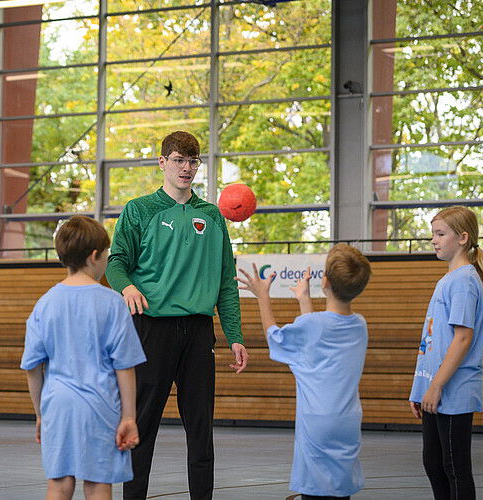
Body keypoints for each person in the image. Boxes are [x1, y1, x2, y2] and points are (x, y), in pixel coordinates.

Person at [105, 130, 249, 500]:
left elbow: (225, 282)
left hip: (199, 332)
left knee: (201, 430)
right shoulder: (139, 210)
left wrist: (234, 335)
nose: (186, 168)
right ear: (162, 163)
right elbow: (117, 262)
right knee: (142, 425)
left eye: (193, 161)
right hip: (152, 328)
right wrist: (127, 287)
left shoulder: (212, 216)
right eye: (179, 160)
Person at [21, 215, 146, 500]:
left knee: (59, 484)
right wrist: (129, 416)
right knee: (99, 484)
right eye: (107, 254)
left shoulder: (45, 304)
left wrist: (40, 413)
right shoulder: (113, 302)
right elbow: (124, 366)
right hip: (100, 406)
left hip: (57, 407)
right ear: (95, 256)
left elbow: (32, 367)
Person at [236, 244, 372, 500]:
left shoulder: (313, 325)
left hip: (318, 424)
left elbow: (274, 336)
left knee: (314, 492)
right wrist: (304, 300)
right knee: (340, 491)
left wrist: (263, 297)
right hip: (348, 422)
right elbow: (317, 338)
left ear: (326, 281)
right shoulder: (360, 326)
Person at [409, 206, 483, 500]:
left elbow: (462, 338)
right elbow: (433, 342)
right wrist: (421, 388)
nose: (434, 240)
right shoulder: (447, 280)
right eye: (433, 233)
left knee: (454, 467)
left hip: (453, 391)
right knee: (433, 463)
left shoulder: (465, 281)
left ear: (463, 238)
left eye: (441, 234)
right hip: (435, 389)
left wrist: (436, 385)